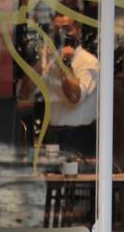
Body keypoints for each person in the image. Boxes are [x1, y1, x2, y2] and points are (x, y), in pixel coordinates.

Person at [35, 13, 100, 158]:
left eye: (66, 29)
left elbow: (75, 96)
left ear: (78, 32)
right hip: (52, 134)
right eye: (56, 29)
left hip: (77, 136)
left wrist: (66, 64)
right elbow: (26, 93)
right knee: (53, 179)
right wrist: (41, 62)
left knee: (78, 179)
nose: (61, 34)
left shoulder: (88, 62)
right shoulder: (51, 60)